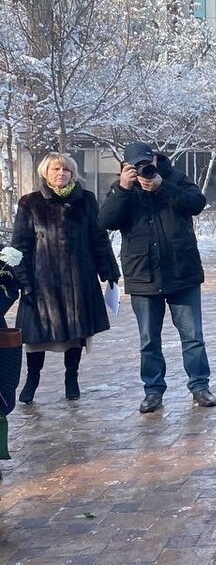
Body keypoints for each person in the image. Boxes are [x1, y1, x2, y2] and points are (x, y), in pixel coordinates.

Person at [99, 142, 216, 413]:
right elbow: (106, 221)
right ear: (125, 167)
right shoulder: (122, 188)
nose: (143, 169)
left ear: (155, 158)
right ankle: (153, 390)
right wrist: (123, 189)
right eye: (136, 165)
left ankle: (200, 386)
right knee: (149, 339)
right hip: (142, 274)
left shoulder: (175, 178)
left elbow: (197, 204)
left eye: (146, 162)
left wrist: (162, 186)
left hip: (181, 270)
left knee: (192, 336)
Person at [11, 154, 120, 404]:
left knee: (75, 334)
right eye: (56, 169)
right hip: (42, 282)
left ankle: (72, 378)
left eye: (66, 169)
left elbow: (98, 238)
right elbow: (20, 246)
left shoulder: (86, 200)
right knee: (37, 338)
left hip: (78, 278)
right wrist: (23, 281)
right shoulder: (30, 203)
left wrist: (109, 272)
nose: (61, 173)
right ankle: (32, 380)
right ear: (45, 173)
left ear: (73, 173)